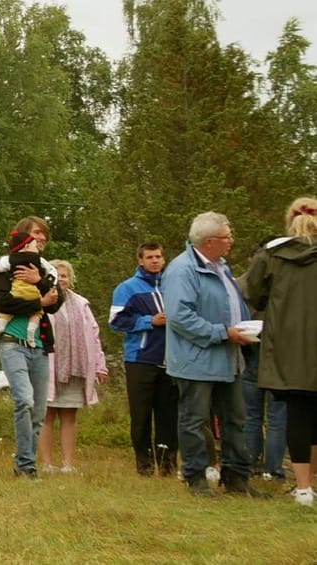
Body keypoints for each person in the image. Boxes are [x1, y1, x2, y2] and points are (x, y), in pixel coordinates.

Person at [161, 211, 270, 499]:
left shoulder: (220, 267)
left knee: (236, 419)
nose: (231, 241)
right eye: (227, 236)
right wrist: (223, 333)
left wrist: (244, 329)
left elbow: (233, 305)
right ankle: (196, 477)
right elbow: (180, 316)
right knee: (195, 420)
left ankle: (236, 477)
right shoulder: (181, 270)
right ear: (209, 241)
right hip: (195, 361)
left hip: (229, 359)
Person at [243, 196, 317, 508]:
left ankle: (303, 488)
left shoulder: (271, 253)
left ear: (290, 220)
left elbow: (253, 293)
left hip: (289, 350)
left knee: (298, 415)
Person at [0, 216, 63, 477]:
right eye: (36, 233)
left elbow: (56, 302)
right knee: (25, 401)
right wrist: (38, 303)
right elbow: (3, 304)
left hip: (40, 345)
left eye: (44, 234)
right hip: (11, 341)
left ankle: (25, 465)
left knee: (39, 411)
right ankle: (26, 465)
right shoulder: (5, 267)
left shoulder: (46, 270)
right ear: (24, 237)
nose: (41, 238)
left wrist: (38, 281)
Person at [110, 241, 178, 477]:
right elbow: (116, 321)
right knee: (141, 416)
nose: (155, 261)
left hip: (170, 359)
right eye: (149, 257)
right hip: (140, 359)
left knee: (168, 415)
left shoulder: (173, 285)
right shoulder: (127, 288)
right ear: (140, 260)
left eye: (158, 256)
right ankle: (144, 465)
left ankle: (168, 465)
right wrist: (149, 321)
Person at [40, 261, 108, 474]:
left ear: (71, 279)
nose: (61, 279)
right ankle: (47, 463)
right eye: (56, 275)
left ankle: (68, 464)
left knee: (70, 416)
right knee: (46, 415)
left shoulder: (81, 303)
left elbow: (93, 337)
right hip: (49, 367)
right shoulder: (40, 301)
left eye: (65, 276)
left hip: (75, 369)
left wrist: (100, 365)